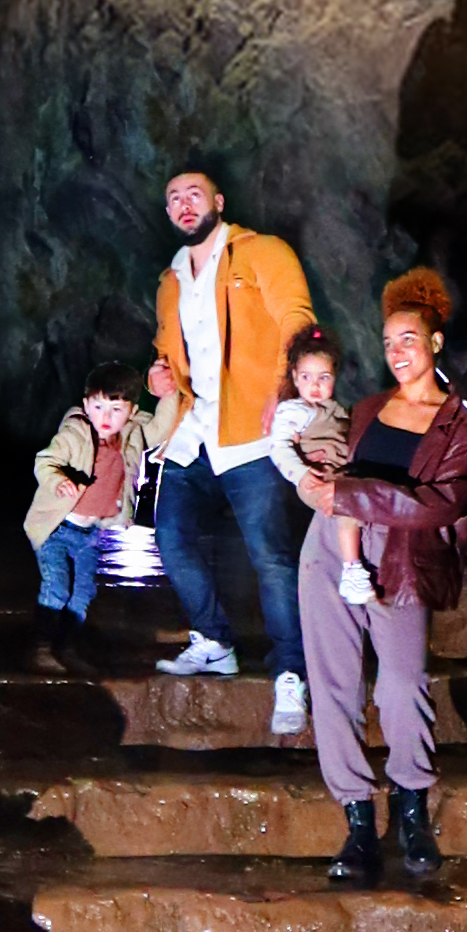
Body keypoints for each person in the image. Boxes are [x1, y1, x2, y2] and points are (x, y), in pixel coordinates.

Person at [304, 267, 467, 888]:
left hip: (401, 557)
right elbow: (331, 474)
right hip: (331, 546)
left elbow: (443, 502)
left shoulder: (459, 425)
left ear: (435, 343)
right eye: (388, 343)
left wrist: (353, 495)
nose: (397, 353)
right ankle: (358, 820)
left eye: (408, 339)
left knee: (403, 684)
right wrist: (317, 485)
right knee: (333, 685)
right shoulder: (366, 409)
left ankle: (411, 809)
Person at [148, 164, 315, 726]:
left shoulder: (261, 252)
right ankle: (213, 640)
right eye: (174, 197)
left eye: (194, 193)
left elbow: (298, 320)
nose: (184, 203)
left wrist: (283, 389)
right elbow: (168, 349)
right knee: (171, 537)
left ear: (219, 200)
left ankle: (290, 670)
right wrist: (159, 377)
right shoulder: (170, 280)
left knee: (269, 555)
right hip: (193, 431)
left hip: (250, 430)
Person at [19, 372, 153, 651]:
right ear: (86, 405)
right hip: (57, 529)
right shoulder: (75, 433)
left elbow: (160, 426)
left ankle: (66, 647)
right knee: (57, 586)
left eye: (116, 409)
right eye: (98, 407)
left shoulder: (130, 436)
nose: (106, 416)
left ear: (131, 412)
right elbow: (44, 461)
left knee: (82, 594)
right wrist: (58, 480)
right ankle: (40, 648)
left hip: (90, 535)